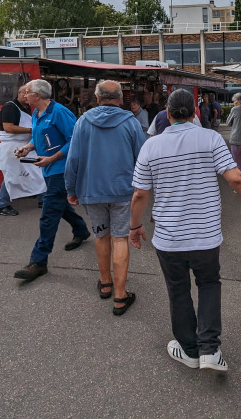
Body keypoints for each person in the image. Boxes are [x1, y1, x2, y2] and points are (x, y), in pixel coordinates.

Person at [129, 89, 241, 373]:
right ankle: (210, 350)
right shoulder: (210, 138)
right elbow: (236, 178)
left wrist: (135, 226)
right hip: (206, 235)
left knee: (178, 291)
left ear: (167, 112)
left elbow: (140, 194)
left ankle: (188, 350)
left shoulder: (151, 146)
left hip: (168, 237)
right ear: (194, 112)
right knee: (209, 284)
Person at [65, 81, 145, 315]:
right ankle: (120, 296)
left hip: (91, 190)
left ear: (97, 99)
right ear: (121, 99)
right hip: (123, 190)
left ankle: (105, 283)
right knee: (120, 239)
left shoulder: (83, 122)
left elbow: (73, 159)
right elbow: (142, 159)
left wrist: (70, 189)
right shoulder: (131, 122)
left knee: (101, 236)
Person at [14, 79, 91, 282]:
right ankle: (81, 230)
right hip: (48, 170)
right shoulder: (36, 113)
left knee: (48, 214)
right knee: (60, 206)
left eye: (27, 92)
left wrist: (53, 157)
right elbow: (36, 137)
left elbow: (75, 139)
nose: (24, 95)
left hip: (61, 170)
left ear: (38, 95)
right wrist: (28, 148)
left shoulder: (59, 112)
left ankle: (38, 261)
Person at [0, 84, 45, 215]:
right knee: (11, 174)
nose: (28, 95)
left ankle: (43, 199)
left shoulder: (27, 107)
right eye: (26, 93)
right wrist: (32, 130)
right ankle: (2, 205)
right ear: (20, 93)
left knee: (38, 170)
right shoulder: (9, 107)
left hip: (25, 144)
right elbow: (8, 128)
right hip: (12, 146)